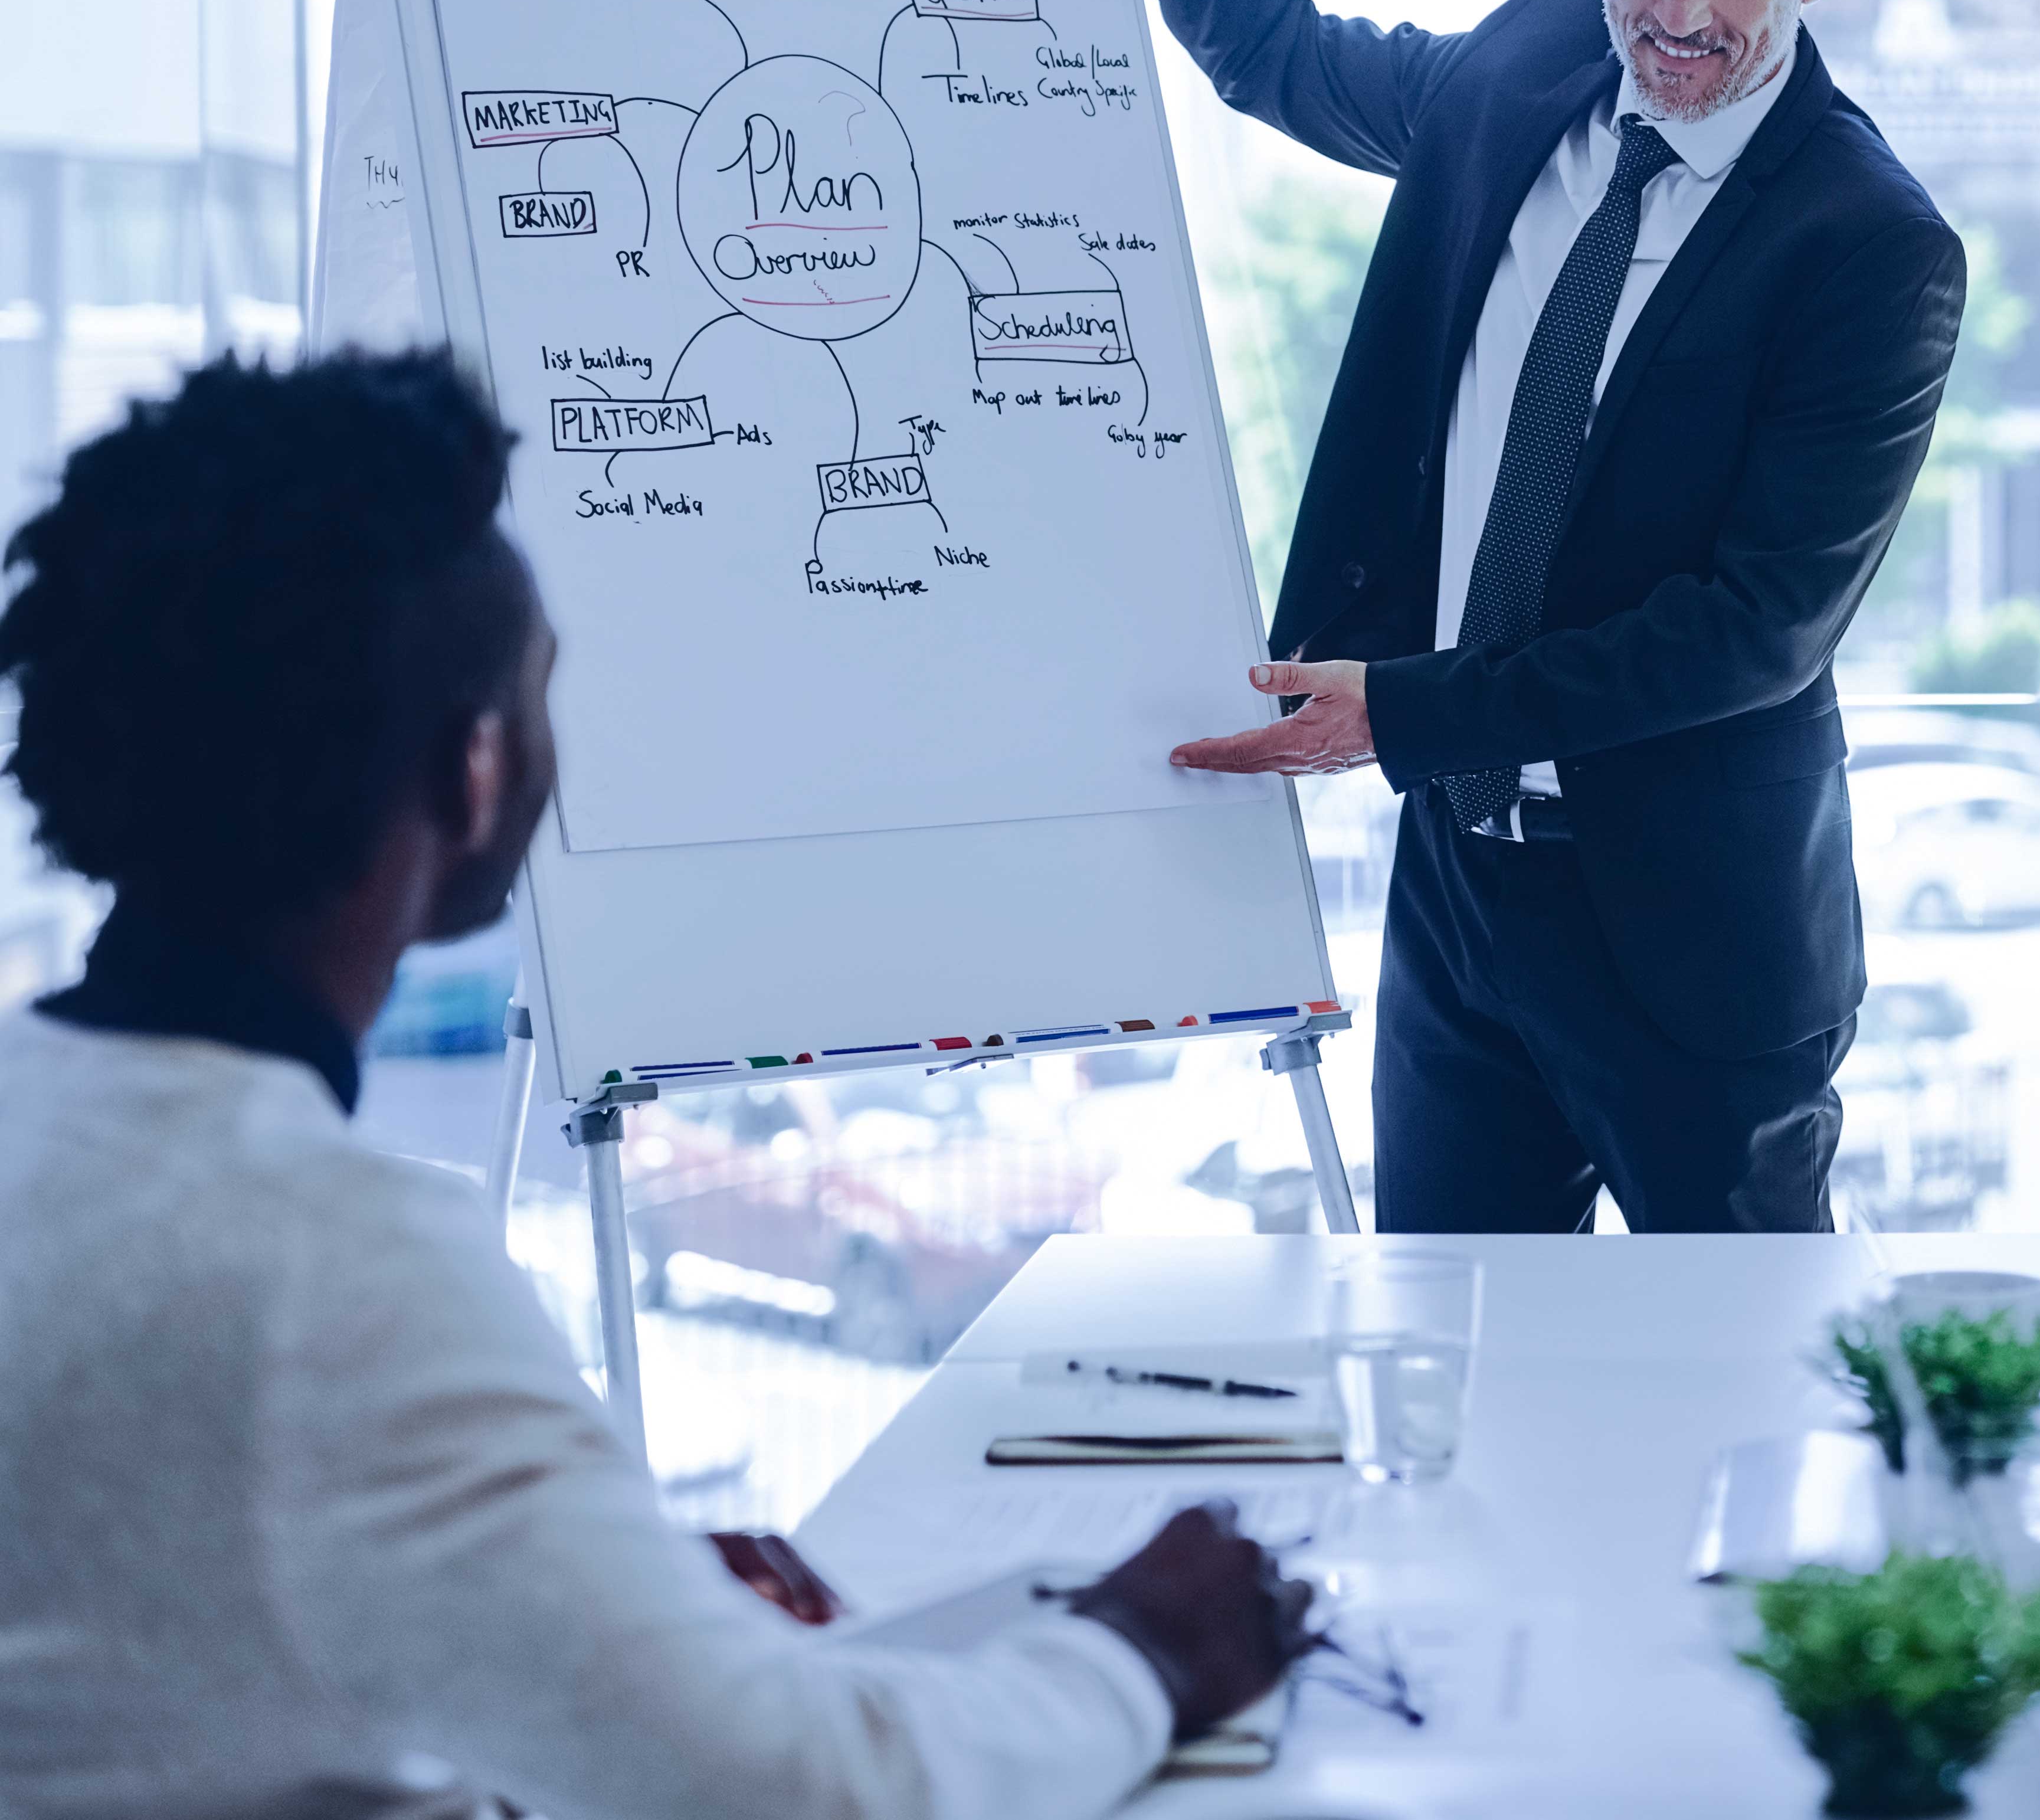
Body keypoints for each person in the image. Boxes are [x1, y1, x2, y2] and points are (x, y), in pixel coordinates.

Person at [0, 355, 1312, 1820]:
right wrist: (1140, 1649)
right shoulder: (331, 1264)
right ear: (473, 769)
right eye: (545, 685)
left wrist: (564, 1598)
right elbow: (810, 1793)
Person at [923, 0, 1963, 1236]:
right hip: (1462, 900)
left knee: (1719, 1404)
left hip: (1696, 944)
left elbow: (1756, 629)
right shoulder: (1535, 56)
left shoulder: (1871, 244)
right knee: (1455, 1361)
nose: (1676, 12)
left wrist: (1402, 712)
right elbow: (1282, 57)